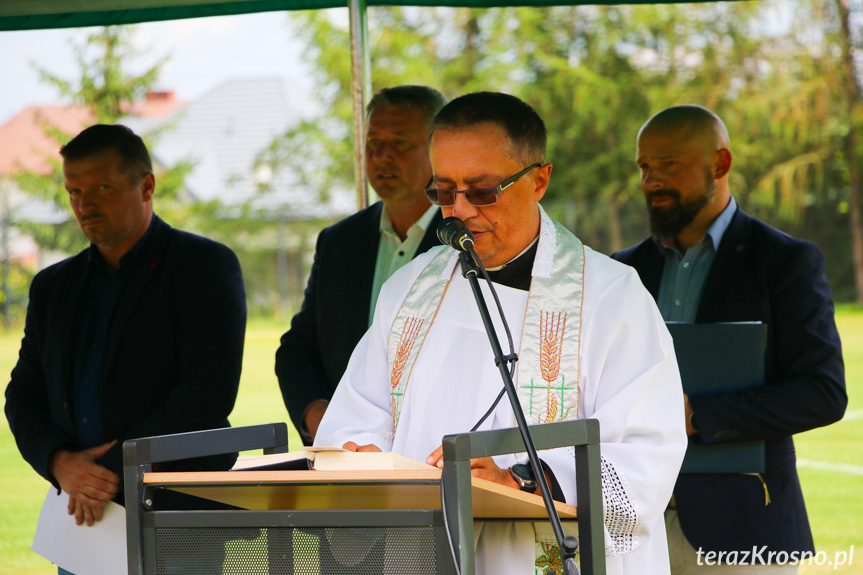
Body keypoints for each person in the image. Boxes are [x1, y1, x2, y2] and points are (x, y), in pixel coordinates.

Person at [315, 92, 687, 575]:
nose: (461, 210)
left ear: (539, 180)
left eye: (482, 190)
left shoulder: (611, 298)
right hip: (428, 552)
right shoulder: (408, 290)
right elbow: (356, 414)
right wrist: (358, 453)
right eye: (444, 192)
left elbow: (645, 452)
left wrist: (525, 481)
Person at [612, 105, 847, 574]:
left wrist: (697, 416)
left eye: (669, 164)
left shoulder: (784, 261)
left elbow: (823, 393)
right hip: (631, 528)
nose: (651, 180)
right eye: (644, 167)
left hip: (744, 532)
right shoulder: (621, 270)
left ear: (720, 165)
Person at [4, 124, 246, 573]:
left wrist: (106, 469)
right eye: (74, 191)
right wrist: (59, 462)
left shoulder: (203, 267)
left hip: (177, 513)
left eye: (103, 188)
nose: (85, 205)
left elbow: (208, 391)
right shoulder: (53, 287)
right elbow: (22, 394)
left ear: (147, 185)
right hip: (83, 522)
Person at [276, 85, 446, 445]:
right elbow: (298, 349)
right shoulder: (339, 242)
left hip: (433, 456)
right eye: (372, 143)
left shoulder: (466, 240)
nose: (382, 156)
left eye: (399, 143)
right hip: (348, 456)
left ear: (439, 151)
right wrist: (320, 418)